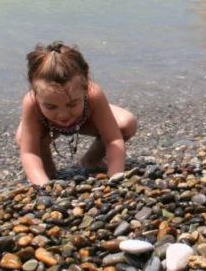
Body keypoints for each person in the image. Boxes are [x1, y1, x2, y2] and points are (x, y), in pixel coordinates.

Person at [16, 42, 137, 186]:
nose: (63, 115)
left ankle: (91, 160)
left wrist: (115, 175)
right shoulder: (31, 102)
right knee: (22, 138)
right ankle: (48, 172)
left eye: (72, 104)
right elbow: (29, 153)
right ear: (35, 93)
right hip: (46, 128)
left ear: (85, 87)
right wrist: (43, 187)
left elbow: (113, 140)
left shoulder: (94, 94)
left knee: (126, 123)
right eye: (50, 106)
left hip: (86, 120)